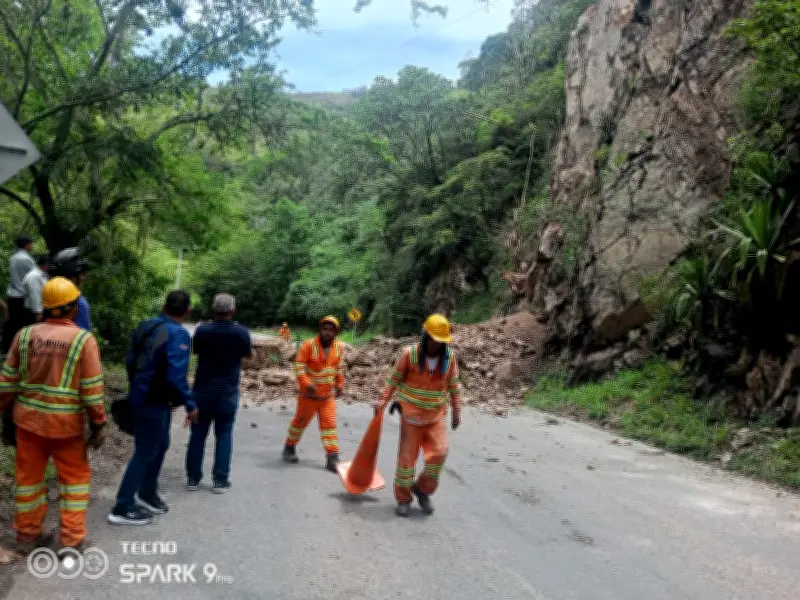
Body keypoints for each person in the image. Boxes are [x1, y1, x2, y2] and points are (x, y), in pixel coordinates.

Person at [0, 277, 107, 552]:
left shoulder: (24, 335)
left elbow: (7, 383)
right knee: (74, 483)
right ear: (72, 307)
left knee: (28, 482)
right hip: (66, 428)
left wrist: (5, 419)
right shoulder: (83, 340)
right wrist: (98, 425)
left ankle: (27, 536)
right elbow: (91, 391)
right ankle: (71, 541)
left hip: (28, 424)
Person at [107, 291, 198, 526]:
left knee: (161, 445)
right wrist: (189, 404)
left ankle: (147, 492)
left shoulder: (145, 325)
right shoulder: (178, 333)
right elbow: (176, 377)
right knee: (146, 451)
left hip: (142, 396)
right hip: (153, 401)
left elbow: (130, 360)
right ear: (187, 311)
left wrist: (137, 384)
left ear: (165, 305)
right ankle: (123, 506)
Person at [372, 314, 462, 517]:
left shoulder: (450, 359)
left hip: (435, 417)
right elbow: (393, 380)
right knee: (406, 462)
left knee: (439, 453)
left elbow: (454, 387)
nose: (437, 345)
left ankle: (422, 490)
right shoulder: (409, 355)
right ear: (425, 336)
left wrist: (457, 411)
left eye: (441, 342)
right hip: (411, 419)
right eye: (434, 340)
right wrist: (382, 402)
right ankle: (403, 499)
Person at [185, 293, 252, 493]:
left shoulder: (202, 331)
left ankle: (193, 479)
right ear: (233, 310)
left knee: (197, 435)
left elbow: (195, 352)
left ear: (213, 310)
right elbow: (249, 355)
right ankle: (220, 481)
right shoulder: (241, 332)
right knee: (224, 435)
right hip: (227, 393)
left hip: (202, 392)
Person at [282, 316, 345, 472]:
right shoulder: (308, 345)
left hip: (326, 397)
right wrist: (305, 383)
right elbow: (299, 366)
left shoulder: (338, 348)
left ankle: (332, 458)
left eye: (330, 330)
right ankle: (289, 447)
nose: (327, 333)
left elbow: (339, 367)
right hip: (308, 397)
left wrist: (340, 384)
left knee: (329, 426)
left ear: (335, 332)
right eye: (324, 329)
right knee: (299, 423)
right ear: (320, 329)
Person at [3, 236, 36, 354]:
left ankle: (6, 350)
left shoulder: (13, 258)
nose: (32, 246)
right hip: (22, 296)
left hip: (12, 294)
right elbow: (34, 276)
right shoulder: (27, 259)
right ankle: (22, 350)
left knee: (11, 323)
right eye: (31, 243)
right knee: (24, 324)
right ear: (27, 244)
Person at [50, 248, 91, 331]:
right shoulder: (79, 303)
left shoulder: (48, 297)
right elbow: (84, 338)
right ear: (71, 275)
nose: (84, 278)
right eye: (82, 274)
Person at [22, 255, 49, 324]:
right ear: (45, 264)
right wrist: (38, 312)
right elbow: (35, 295)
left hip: (40, 309)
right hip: (33, 311)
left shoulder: (42, 274)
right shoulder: (34, 276)